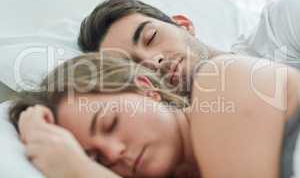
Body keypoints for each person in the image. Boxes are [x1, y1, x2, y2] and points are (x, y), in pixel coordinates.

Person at [8, 52, 300, 178]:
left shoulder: (220, 82)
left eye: (111, 123)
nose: (114, 152)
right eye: (96, 159)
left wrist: (78, 170)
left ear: (146, 88)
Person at [78, 0, 300, 97]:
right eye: (132, 65)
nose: (152, 61)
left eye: (151, 37)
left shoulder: (281, 24)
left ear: (183, 24)